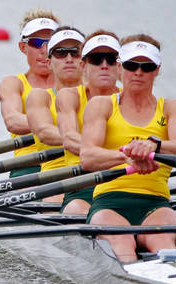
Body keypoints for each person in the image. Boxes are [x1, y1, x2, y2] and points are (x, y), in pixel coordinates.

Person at [80, 34, 176, 262]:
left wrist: (154, 145)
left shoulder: (174, 108)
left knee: (161, 241)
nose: (138, 72)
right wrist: (128, 156)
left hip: (156, 204)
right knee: (122, 241)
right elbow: (88, 156)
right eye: (132, 66)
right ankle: (131, 274)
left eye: (146, 66)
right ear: (120, 68)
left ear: (157, 69)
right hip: (109, 203)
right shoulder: (101, 106)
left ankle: (171, 274)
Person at [55, 30, 121, 214]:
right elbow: (69, 139)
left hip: (125, 185)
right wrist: (122, 156)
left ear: (120, 65)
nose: (104, 65)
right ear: (83, 66)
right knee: (77, 209)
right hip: (82, 186)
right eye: (96, 59)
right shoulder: (70, 97)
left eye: (111, 59)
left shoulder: (132, 100)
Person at [25, 26, 85, 203]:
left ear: (85, 60)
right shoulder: (40, 97)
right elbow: (44, 132)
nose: (68, 59)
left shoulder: (106, 97)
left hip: (102, 175)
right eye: (60, 53)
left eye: (75, 52)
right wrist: (97, 142)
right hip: (56, 180)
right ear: (49, 62)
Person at [0, 10, 60, 178]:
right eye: (36, 42)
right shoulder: (13, 84)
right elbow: (13, 121)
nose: (44, 49)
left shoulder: (79, 84)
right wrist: (63, 124)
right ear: (23, 47)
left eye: (51, 42)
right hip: (28, 166)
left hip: (68, 161)